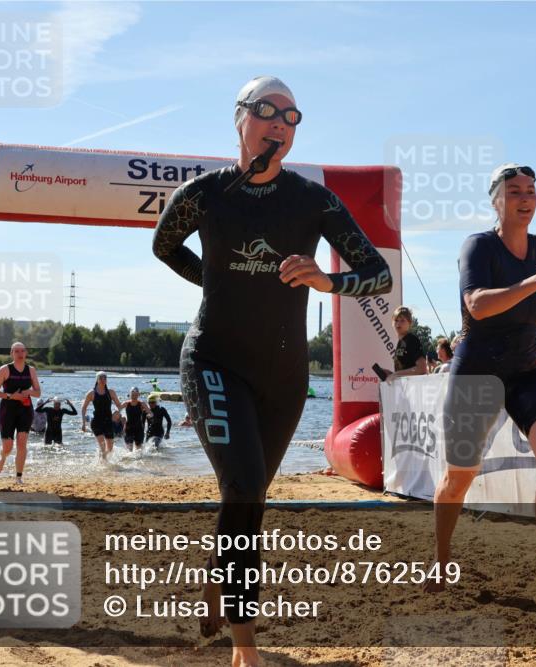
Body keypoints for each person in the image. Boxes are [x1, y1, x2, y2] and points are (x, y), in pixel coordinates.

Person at [152, 75, 392, 666]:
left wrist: (326, 279)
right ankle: (246, 646)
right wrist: (216, 281)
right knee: (241, 487)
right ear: (240, 120)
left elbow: (378, 273)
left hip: (283, 375)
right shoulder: (205, 193)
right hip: (213, 360)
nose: (280, 123)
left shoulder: (311, 199)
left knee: (251, 492)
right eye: (267, 110)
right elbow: (165, 245)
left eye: (291, 116)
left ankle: (217, 585)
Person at [425, 163, 536, 604]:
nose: (525, 198)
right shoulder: (478, 247)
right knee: (460, 477)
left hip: (528, 367)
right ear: (496, 200)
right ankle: (440, 560)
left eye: (531, 190)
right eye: (514, 191)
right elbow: (476, 305)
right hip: (478, 369)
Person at [0, 342, 42, 484]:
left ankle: (19, 477)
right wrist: (11, 396)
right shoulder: (5, 369)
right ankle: (3, 458)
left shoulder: (31, 370)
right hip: (7, 410)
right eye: (16, 351)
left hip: (25, 410)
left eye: (22, 351)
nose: (20, 354)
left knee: (22, 443)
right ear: (11, 353)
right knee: (8, 446)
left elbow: (38, 393)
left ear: (26, 353)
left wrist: (29, 391)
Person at [80, 371, 125, 461]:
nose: (103, 380)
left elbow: (119, 406)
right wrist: (83, 423)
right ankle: (103, 465)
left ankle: (102, 459)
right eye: (101, 378)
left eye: (105, 378)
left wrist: (119, 411)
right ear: (97, 379)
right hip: (96, 422)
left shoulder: (111, 392)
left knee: (110, 448)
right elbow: (83, 408)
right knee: (102, 446)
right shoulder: (91, 393)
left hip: (108, 422)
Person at [380, 306, 428, 380]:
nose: (398, 323)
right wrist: (391, 374)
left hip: (413, 389)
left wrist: (396, 374)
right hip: (404, 389)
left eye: (402, 320)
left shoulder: (411, 340)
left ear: (410, 323)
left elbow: (422, 369)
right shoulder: (401, 342)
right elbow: (406, 369)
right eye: (396, 320)